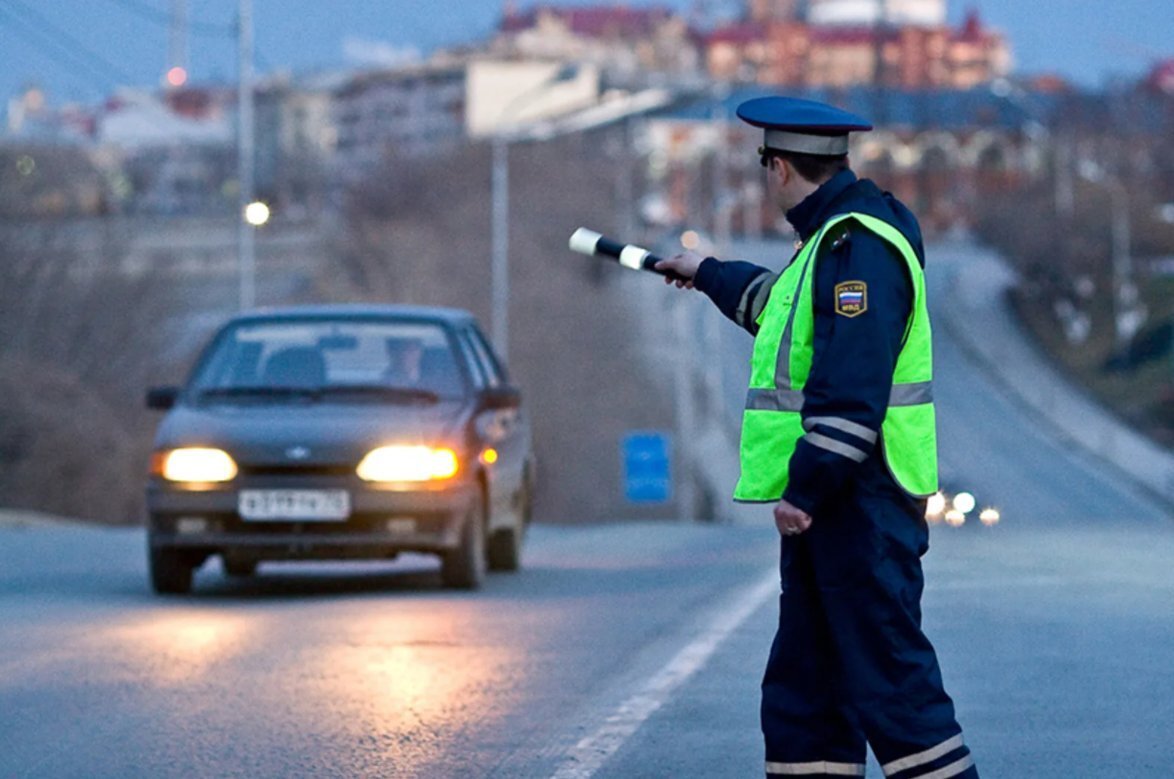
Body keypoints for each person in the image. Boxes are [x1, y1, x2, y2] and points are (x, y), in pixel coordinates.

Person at [655, 96, 978, 779]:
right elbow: (783, 312)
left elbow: (851, 385)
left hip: (858, 503)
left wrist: (805, 490)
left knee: (896, 692)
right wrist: (707, 271)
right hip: (840, 510)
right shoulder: (833, 241)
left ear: (777, 167)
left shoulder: (857, 245)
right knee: (808, 695)